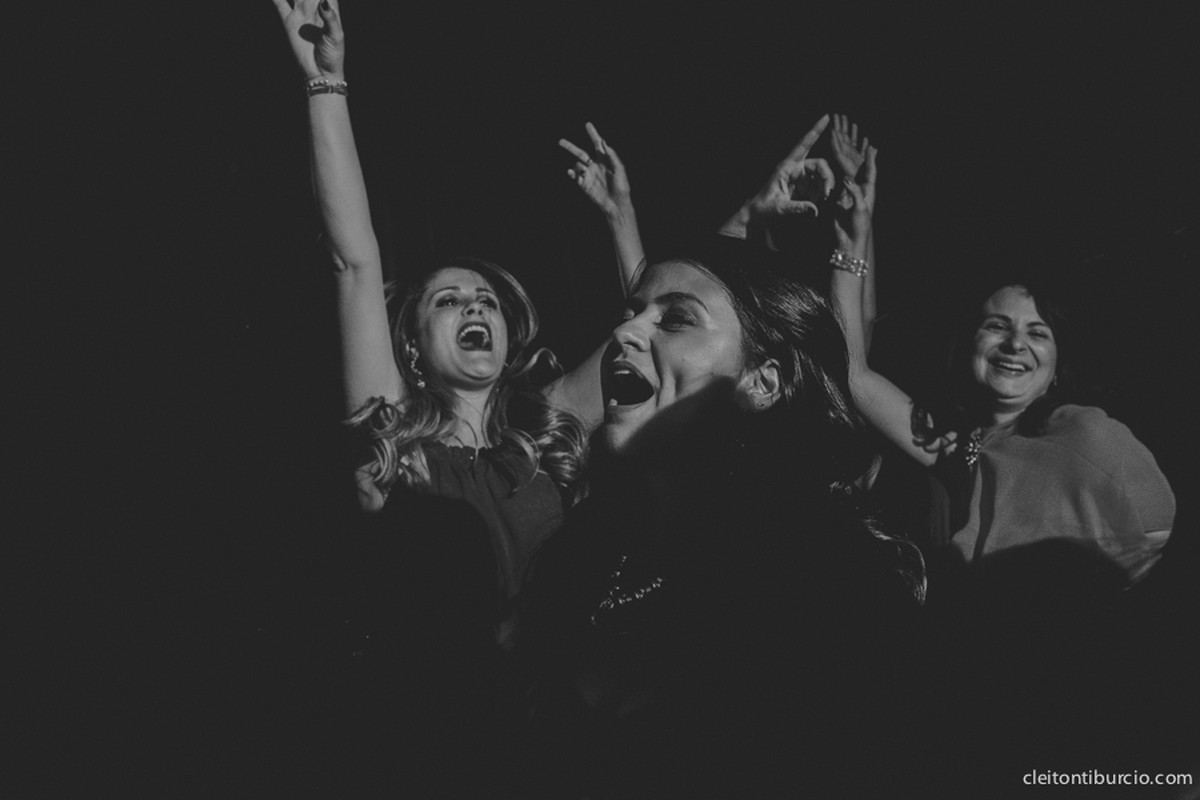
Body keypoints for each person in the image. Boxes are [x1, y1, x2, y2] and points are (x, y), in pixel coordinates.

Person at [520, 122, 924, 796]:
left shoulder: (827, 589)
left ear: (763, 382)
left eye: (675, 319)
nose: (624, 330)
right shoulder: (578, 559)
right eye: (631, 312)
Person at [826, 120, 1175, 589]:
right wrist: (854, 234)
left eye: (1038, 333)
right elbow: (853, 373)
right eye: (997, 326)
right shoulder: (957, 449)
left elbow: (1163, 541)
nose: (1015, 344)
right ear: (969, 344)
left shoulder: (1090, 432)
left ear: (1057, 367)